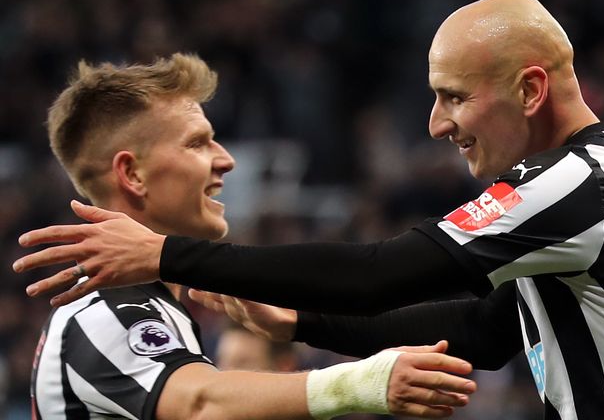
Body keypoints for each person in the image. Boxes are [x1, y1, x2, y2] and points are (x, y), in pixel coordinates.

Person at [15, 0, 604, 419]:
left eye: (454, 96)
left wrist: (169, 254)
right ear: (129, 175)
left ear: (530, 90)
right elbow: (487, 328)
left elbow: (382, 272)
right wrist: (307, 326)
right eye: (202, 143)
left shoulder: (571, 185)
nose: (436, 123)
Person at [25, 53, 477, 420]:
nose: (225, 160)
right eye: (197, 143)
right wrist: (362, 383)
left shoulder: (151, 310)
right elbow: (202, 404)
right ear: (132, 173)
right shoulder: (100, 311)